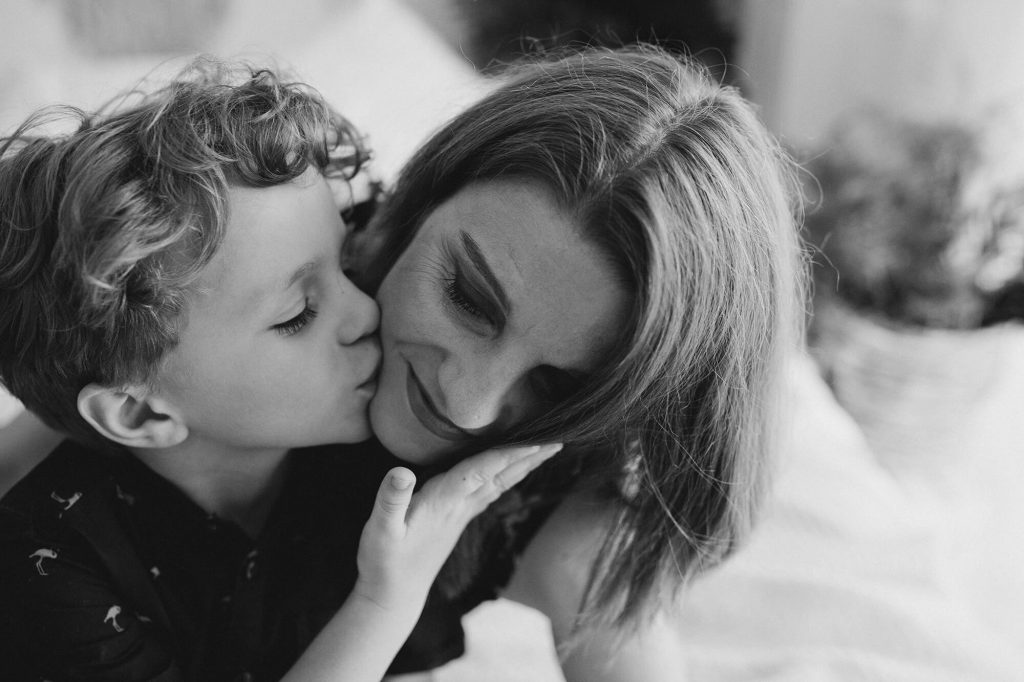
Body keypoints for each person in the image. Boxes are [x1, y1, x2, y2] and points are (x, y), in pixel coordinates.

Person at [2, 46, 806, 681]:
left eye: (558, 382)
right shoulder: (274, 253)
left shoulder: (540, 478)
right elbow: (84, 361)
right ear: (411, 210)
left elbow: (612, 598)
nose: (467, 406)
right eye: (468, 297)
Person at [0, 60, 559, 681]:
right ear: (141, 412)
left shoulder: (364, 446)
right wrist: (383, 601)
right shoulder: (46, 566)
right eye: (297, 315)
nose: (366, 309)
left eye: (345, 262)